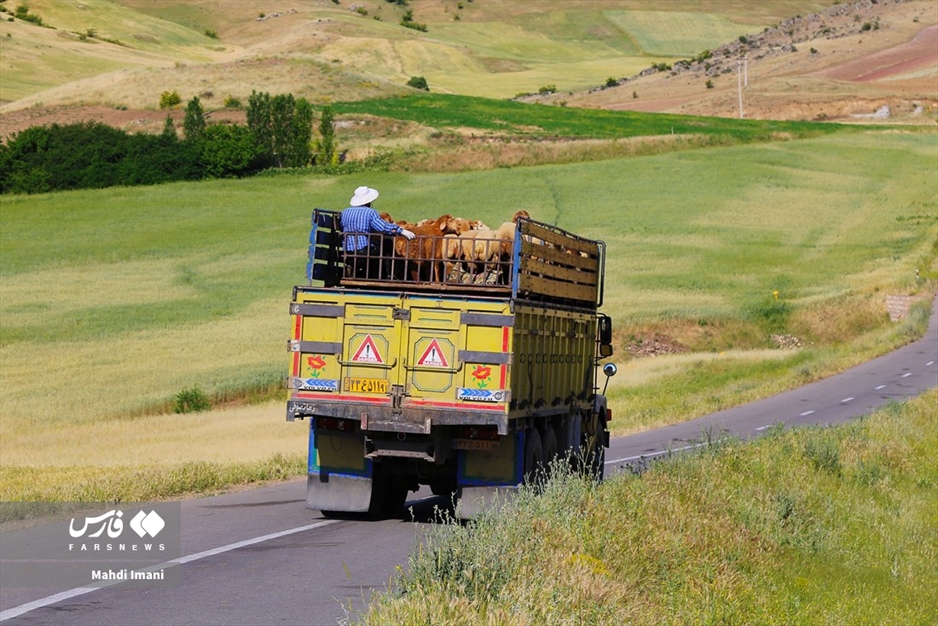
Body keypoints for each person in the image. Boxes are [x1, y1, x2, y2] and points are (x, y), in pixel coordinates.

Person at [340, 186, 414, 279]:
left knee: (375, 247)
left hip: (348, 252)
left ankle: (354, 268)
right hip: (363, 252)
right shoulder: (370, 212)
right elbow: (382, 227)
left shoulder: (345, 212)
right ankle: (388, 274)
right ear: (368, 201)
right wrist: (401, 230)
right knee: (387, 244)